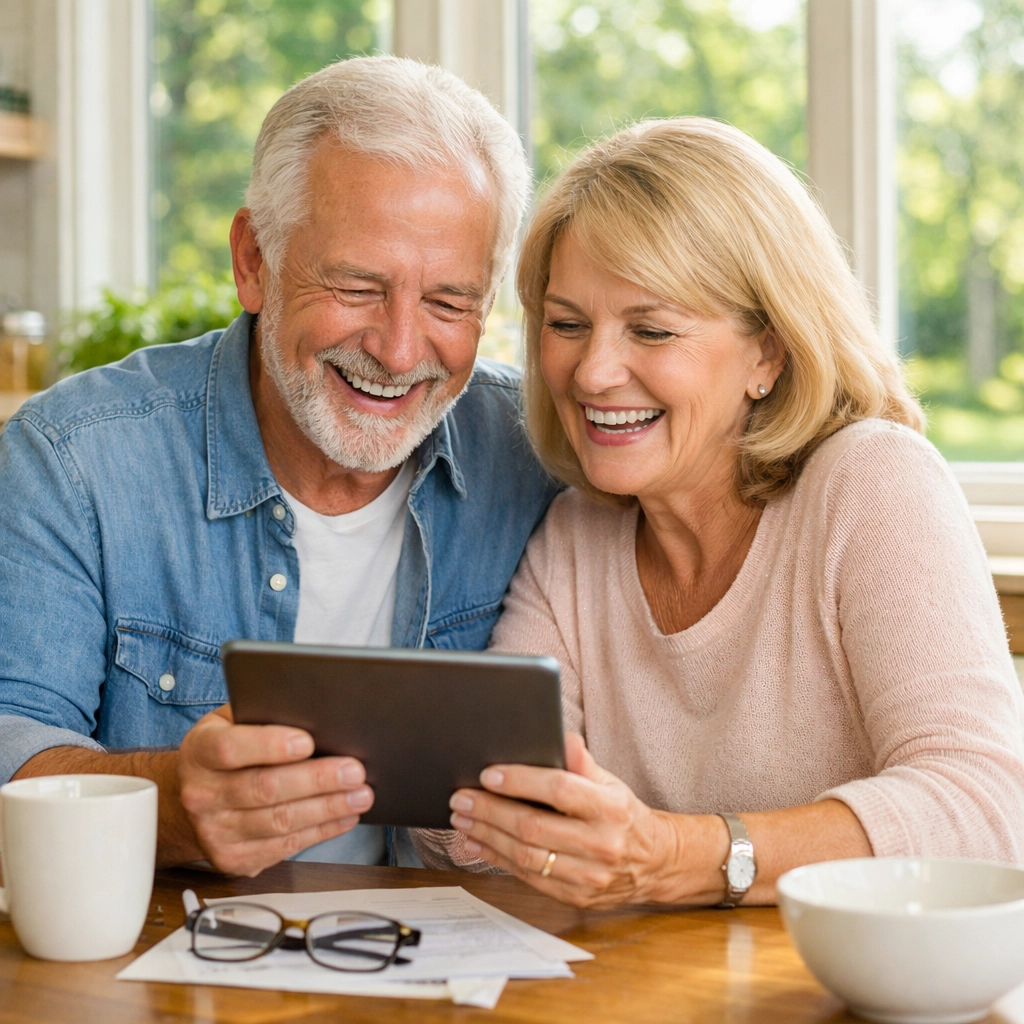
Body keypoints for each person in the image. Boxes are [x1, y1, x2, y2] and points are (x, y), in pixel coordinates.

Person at [413, 117, 1024, 907]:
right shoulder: (575, 537)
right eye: (567, 325)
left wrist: (685, 854)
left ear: (767, 352)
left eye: (652, 329)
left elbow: (985, 809)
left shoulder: (871, 482)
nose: (593, 372)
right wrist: (449, 786)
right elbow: (482, 836)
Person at [0, 56, 559, 877]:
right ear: (253, 261)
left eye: (448, 302)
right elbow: (10, 738)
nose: (400, 350)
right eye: (358, 286)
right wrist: (167, 808)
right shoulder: (75, 460)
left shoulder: (537, 454)